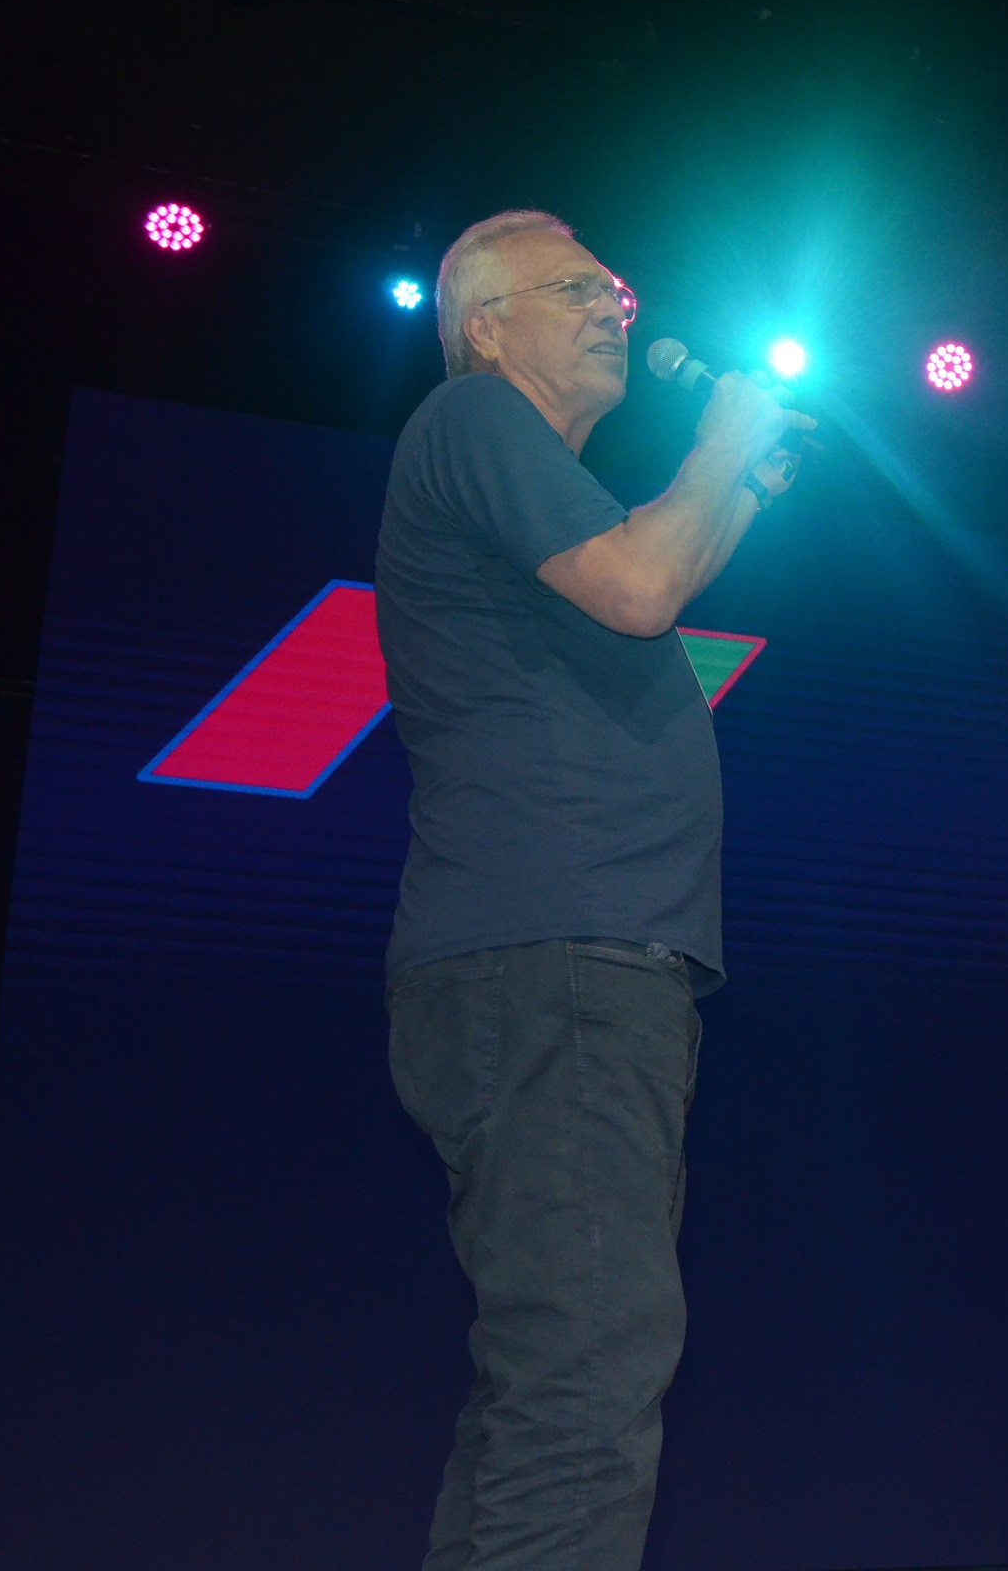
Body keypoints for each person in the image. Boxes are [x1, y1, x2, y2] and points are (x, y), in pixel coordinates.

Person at [377, 209, 807, 1571]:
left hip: (573, 970)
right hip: (555, 961)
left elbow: (646, 568)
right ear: (483, 323)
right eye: (575, 288)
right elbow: (639, 586)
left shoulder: (526, 503)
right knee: (584, 1381)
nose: (615, 307)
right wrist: (722, 451)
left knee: (552, 1385)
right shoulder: (471, 417)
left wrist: (732, 488)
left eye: (616, 286)